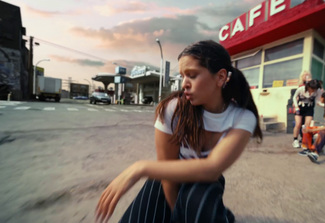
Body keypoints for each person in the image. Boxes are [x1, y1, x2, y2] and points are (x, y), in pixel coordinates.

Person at [95, 40, 263, 223]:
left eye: (192, 75)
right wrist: (176, 213)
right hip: (168, 178)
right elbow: (166, 168)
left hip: (203, 184)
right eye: (182, 76)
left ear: (221, 77)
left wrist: (139, 168)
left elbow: (211, 169)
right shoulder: (173, 109)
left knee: (200, 194)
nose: (184, 84)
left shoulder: (242, 118)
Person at [291, 79, 323, 148]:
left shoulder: (318, 91)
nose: (312, 91)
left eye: (314, 89)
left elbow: (317, 101)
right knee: (298, 124)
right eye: (311, 89)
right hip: (300, 107)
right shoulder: (301, 89)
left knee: (307, 125)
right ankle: (295, 140)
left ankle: (304, 141)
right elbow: (294, 97)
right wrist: (296, 107)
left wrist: (324, 105)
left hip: (309, 108)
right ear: (308, 86)